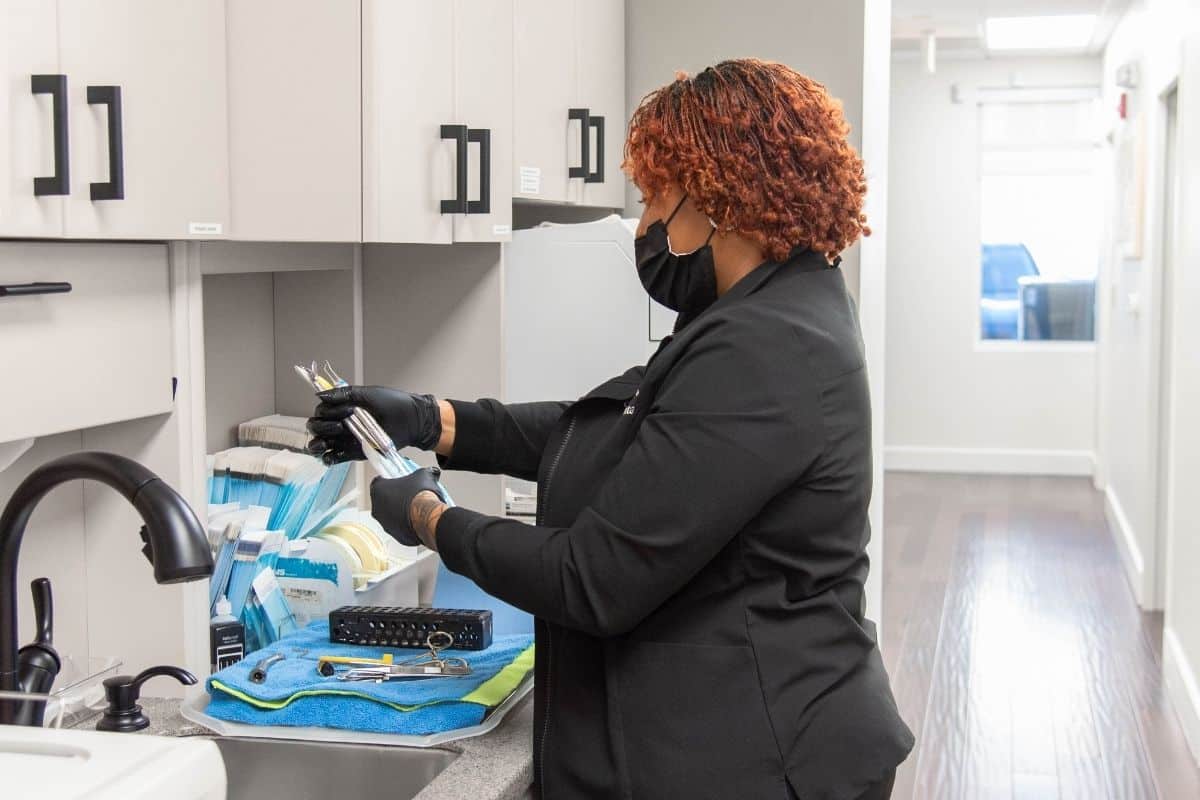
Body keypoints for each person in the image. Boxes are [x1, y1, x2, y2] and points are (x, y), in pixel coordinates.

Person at [308, 58, 913, 800]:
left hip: (763, 754)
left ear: (715, 195)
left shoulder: (766, 345)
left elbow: (589, 580)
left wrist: (429, 516)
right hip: (751, 728)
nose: (647, 223)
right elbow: (615, 435)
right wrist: (434, 421)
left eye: (655, 196)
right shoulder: (774, 312)